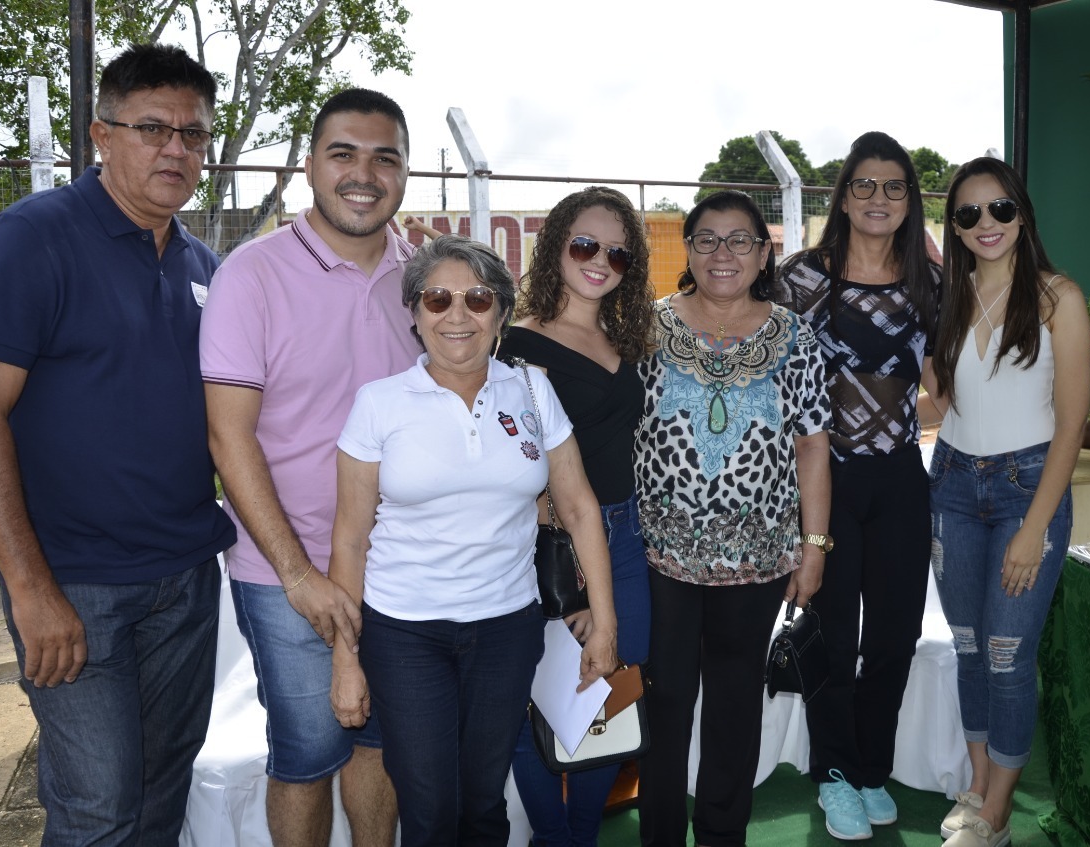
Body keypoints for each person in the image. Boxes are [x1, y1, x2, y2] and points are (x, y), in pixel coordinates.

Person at [0, 43, 236, 844]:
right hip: (75, 584)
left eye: (193, 134)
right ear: (100, 135)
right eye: (152, 128)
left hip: (183, 579)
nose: (175, 148)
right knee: (97, 807)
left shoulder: (204, 264)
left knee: (161, 792)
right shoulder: (29, 241)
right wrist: (31, 589)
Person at [327, 234, 620, 846]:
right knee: (431, 809)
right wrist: (345, 658)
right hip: (404, 631)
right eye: (437, 299)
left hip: (507, 629)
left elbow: (579, 507)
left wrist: (607, 625)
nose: (457, 315)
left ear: (502, 314)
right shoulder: (378, 404)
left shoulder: (534, 393)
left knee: (484, 801)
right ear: (414, 313)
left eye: (478, 299)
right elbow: (350, 539)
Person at [200, 88, 413, 847]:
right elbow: (230, 439)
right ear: (307, 167)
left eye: (384, 156)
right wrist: (298, 575)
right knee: (307, 753)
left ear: (405, 171)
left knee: (380, 740)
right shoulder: (250, 275)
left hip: (399, 571)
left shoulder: (424, 279)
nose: (364, 173)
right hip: (285, 570)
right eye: (343, 154)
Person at [635, 190, 832, 847]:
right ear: (687, 249)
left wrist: (814, 545)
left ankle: (722, 834)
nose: (724, 253)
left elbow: (812, 444)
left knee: (734, 704)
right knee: (662, 704)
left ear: (764, 251)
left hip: (757, 556)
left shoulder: (795, 333)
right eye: (708, 239)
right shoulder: (645, 325)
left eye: (740, 239)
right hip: (659, 556)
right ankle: (660, 834)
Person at [772, 131, 941, 841]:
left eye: (893, 186)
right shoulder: (800, 278)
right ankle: (834, 775)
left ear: (910, 199)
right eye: (864, 185)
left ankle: (872, 768)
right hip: (824, 479)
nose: (878, 198)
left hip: (902, 475)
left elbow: (941, 388)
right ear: (842, 195)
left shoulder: (929, 281)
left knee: (897, 635)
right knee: (834, 635)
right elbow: (766, 378)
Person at [928, 157, 1089, 847]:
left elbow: (1073, 421)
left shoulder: (1059, 297)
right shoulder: (949, 295)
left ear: (1021, 214)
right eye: (968, 214)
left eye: (999, 209)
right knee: (968, 647)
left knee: (1006, 654)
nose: (985, 224)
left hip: (1030, 486)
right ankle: (977, 782)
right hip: (954, 485)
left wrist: (1036, 524)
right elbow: (933, 402)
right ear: (955, 228)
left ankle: (997, 810)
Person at [497, 186, 655, 846]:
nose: (600, 261)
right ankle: (555, 836)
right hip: (548, 546)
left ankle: (578, 834)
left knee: (614, 692)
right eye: (585, 244)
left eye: (617, 252)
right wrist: (563, 556)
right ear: (555, 243)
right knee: (520, 704)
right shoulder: (512, 344)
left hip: (627, 535)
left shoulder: (624, 335)